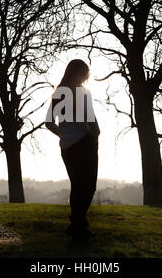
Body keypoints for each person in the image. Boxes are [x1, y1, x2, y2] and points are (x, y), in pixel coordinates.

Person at [45, 59, 100, 240]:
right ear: (80, 73)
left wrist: (63, 134)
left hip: (67, 147)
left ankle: (77, 224)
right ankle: (78, 222)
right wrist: (96, 133)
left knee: (77, 185)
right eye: (85, 72)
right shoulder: (83, 92)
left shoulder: (59, 93)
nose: (87, 75)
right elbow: (89, 117)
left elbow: (48, 123)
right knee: (89, 185)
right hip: (84, 143)